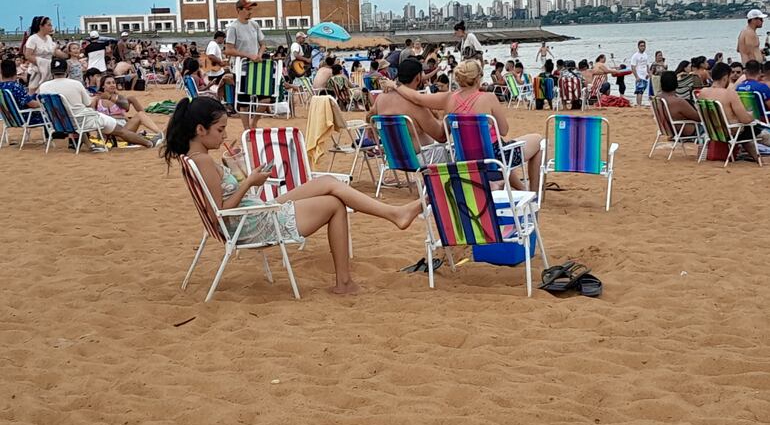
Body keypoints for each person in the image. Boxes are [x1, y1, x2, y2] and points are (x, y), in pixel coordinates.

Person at [162, 97, 423, 294]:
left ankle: (395, 214)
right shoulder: (203, 162)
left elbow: (223, 203)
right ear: (200, 130)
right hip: (253, 223)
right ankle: (344, 281)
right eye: (220, 129)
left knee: (327, 181)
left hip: (254, 212)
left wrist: (241, 175)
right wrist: (249, 181)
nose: (224, 134)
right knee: (333, 205)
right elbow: (222, 211)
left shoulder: (197, 158)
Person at [380, 60, 543, 193]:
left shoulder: (449, 98)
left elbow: (417, 98)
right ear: (478, 78)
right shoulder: (489, 97)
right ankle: (534, 193)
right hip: (494, 158)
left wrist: (395, 85)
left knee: (496, 148)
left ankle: (520, 188)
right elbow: (504, 130)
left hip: (462, 158)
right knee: (537, 141)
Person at [39, 59, 158, 151]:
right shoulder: (75, 84)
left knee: (77, 115)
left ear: (51, 71)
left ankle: (90, 145)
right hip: (82, 121)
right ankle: (148, 143)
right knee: (120, 131)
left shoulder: (43, 87)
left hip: (59, 123)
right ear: (66, 71)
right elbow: (88, 103)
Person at [368, 59, 447, 156]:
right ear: (418, 78)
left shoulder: (380, 98)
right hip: (421, 159)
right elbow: (441, 136)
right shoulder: (415, 104)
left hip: (394, 158)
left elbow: (370, 118)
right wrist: (446, 117)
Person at [699, 62, 761, 161]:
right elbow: (745, 120)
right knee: (755, 128)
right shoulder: (730, 94)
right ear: (725, 78)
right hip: (729, 133)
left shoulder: (703, 92)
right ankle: (758, 158)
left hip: (712, 132)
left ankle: (756, 157)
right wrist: (752, 115)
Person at [223, 0, 268, 130]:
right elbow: (228, 49)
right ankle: (247, 129)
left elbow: (263, 43)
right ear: (239, 10)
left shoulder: (254, 25)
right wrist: (249, 56)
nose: (250, 12)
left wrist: (259, 54)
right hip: (241, 68)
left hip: (256, 67)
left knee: (266, 98)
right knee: (244, 100)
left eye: (251, 9)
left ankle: (254, 122)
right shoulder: (233, 27)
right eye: (247, 9)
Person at [95, 75, 164, 139]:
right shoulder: (98, 99)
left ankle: (160, 133)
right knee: (140, 115)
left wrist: (111, 98)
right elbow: (95, 116)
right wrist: (122, 117)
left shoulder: (119, 97)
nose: (112, 85)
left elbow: (126, 106)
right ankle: (160, 134)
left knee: (140, 114)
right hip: (110, 130)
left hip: (125, 129)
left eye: (113, 83)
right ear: (103, 86)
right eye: (108, 83)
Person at [24, 16, 67, 93]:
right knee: (34, 93)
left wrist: (67, 55)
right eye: (49, 25)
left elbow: (54, 51)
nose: (51, 27)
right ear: (41, 26)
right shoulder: (33, 39)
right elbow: (28, 55)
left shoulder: (49, 38)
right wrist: (42, 63)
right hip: (36, 71)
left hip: (49, 70)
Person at [0, 59, 43, 126]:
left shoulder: (1, 88)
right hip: (24, 118)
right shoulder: (16, 87)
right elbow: (32, 104)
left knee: (34, 96)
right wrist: (44, 104)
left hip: (9, 119)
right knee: (47, 114)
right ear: (15, 71)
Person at [658, 71, 700, 137]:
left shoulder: (658, 98)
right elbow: (698, 118)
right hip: (686, 131)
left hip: (672, 130)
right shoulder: (678, 102)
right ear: (676, 84)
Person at [630, 40, 650, 106]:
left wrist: (648, 73)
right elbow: (633, 67)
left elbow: (647, 65)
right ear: (638, 47)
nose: (643, 47)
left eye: (644, 46)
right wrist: (636, 77)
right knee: (639, 91)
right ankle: (639, 105)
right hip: (639, 76)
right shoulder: (635, 56)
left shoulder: (646, 55)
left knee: (643, 91)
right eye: (641, 46)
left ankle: (640, 103)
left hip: (645, 76)